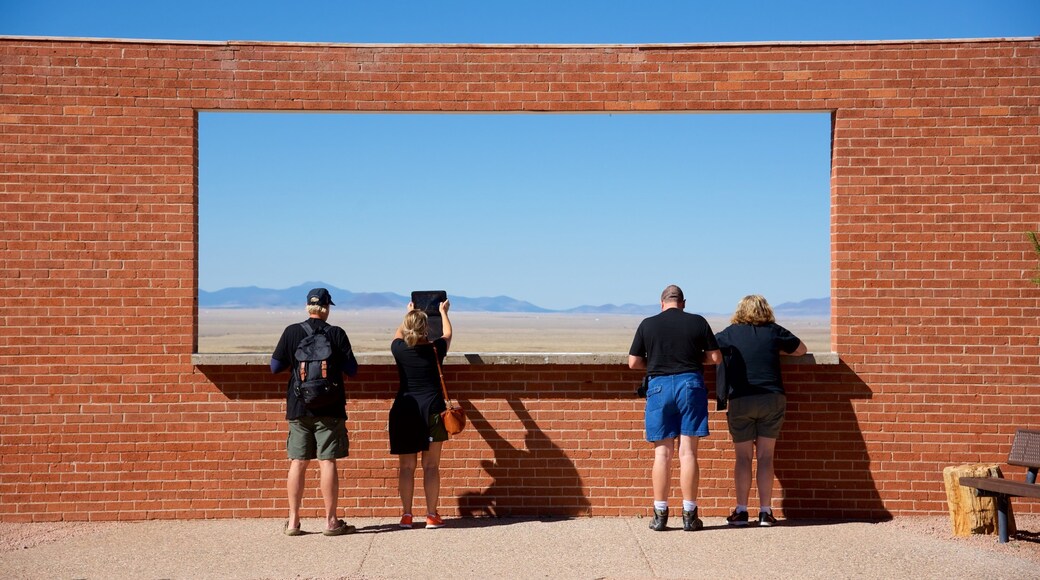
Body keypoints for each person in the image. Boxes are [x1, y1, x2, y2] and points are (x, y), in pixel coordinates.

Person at [628, 285, 721, 531]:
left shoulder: (648, 324)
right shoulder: (698, 322)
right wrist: (694, 359)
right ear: (683, 302)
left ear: (662, 303)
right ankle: (690, 515)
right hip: (690, 384)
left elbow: (633, 362)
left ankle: (660, 515)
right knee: (687, 453)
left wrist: (655, 362)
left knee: (662, 454)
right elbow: (715, 358)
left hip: (659, 387)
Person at [271, 287, 359, 536]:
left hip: (299, 406)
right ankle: (331, 522)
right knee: (327, 461)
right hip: (330, 407)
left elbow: (275, 367)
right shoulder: (336, 333)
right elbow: (352, 370)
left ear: (307, 307)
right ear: (327, 308)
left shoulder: (292, 331)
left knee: (298, 462)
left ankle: (293, 522)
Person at [714, 294, 806, 527]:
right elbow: (801, 350)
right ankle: (765, 512)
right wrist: (775, 351)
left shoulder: (730, 333)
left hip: (741, 399)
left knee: (743, 457)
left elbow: (710, 352)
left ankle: (741, 511)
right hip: (771, 398)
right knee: (766, 456)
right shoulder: (774, 331)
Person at [389, 299, 453, 529]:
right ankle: (431, 515)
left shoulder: (399, 349)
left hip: (404, 411)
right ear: (426, 329)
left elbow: (398, 335)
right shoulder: (436, 349)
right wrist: (443, 312)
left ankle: (407, 515)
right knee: (431, 466)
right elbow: (447, 334)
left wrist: (409, 314)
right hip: (433, 411)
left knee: (406, 467)